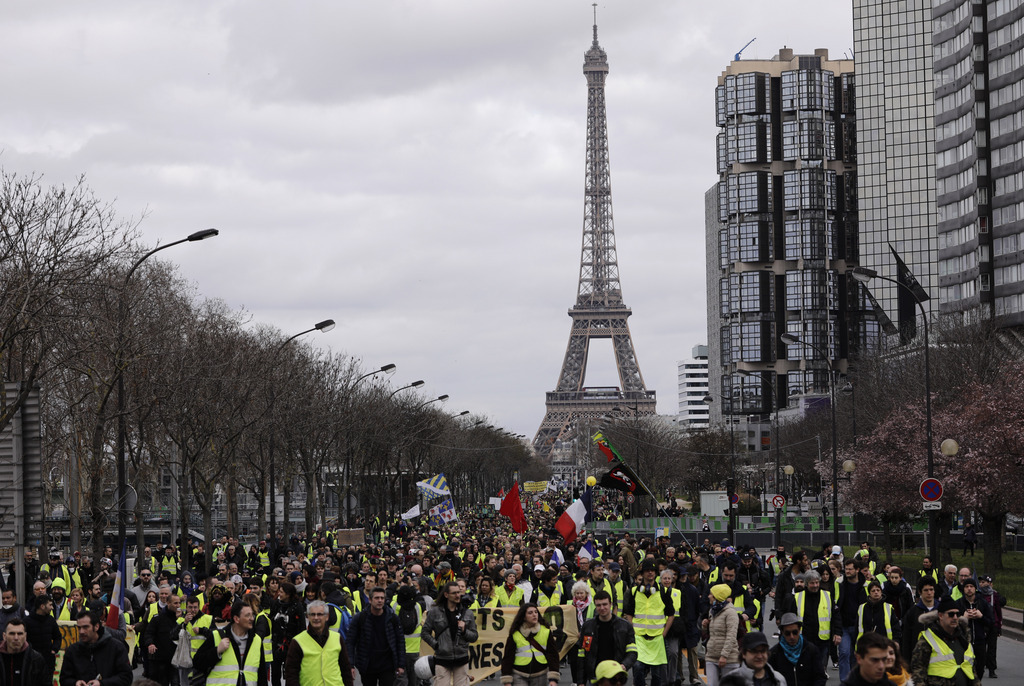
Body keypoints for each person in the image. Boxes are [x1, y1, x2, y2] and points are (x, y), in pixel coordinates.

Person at [193, 600, 268, 686]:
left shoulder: (256, 640)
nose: (252, 618)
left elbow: (262, 675)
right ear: (236, 619)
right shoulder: (217, 636)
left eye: (252, 615)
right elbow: (197, 662)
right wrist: (216, 651)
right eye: (248, 615)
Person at [623, 559, 674, 686]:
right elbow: (628, 613)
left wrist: (664, 634)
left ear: (656, 573)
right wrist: (633, 630)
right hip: (639, 638)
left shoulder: (663, 592)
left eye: (652, 570)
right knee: (638, 668)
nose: (650, 573)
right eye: (647, 570)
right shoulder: (635, 592)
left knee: (656, 675)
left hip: (657, 639)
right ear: (643, 573)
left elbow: (671, 615)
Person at [910, 596, 977, 686]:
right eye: (951, 614)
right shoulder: (928, 639)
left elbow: (971, 669)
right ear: (940, 616)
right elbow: (917, 669)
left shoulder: (964, 637)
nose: (955, 617)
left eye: (957, 614)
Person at [285, 600, 354, 686]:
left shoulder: (337, 638)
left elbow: (345, 669)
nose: (316, 618)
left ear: (327, 616)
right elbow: (291, 673)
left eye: (320, 614)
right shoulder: (297, 641)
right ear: (308, 617)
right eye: (312, 614)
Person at [346, 587, 405, 686]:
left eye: (382, 598)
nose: (380, 601)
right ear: (370, 600)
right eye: (377, 598)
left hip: (388, 665)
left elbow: (400, 641)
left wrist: (401, 664)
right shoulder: (360, 618)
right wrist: (350, 665)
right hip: (367, 665)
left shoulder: (392, 618)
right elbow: (350, 642)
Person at [577, 591, 637, 686]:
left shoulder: (625, 626)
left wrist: (624, 665)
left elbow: (632, 652)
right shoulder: (588, 627)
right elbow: (582, 655)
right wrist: (580, 681)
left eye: (605, 604)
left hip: (616, 676)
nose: (602, 608)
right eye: (598, 605)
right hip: (595, 677)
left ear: (611, 604)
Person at [58, 611, 133, 686]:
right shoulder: (72, 650)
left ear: (96, 626)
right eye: (79, 628)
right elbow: (64, 679)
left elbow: (126, 678)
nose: (81, 631)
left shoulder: (116, 648)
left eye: (85, 627)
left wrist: (102, 684)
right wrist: (75, 683)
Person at [499, 603, 560, 686]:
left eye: (536, 612)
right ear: (524, 617)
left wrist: (553, 678)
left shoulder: (546, 631)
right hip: (519, 674)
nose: (534, 615)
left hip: (540, 673)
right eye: (530, 613)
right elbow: (508, 656)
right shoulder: (515, 633)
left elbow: (553, 655)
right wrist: (507, 680)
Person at [768, 612, 826, 686]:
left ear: (799, 630)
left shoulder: (811, 650)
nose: (792, 637)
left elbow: (820, 677)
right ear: (782, 632)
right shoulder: (774, 654)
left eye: (795, 632)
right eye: (787, 633)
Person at [955, 577, 992, 679]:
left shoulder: (982, 603)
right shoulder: (958, 604)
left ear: (975, 589)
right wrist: (963, 618)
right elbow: (951, 624)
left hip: (979, 643)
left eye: (971, 586)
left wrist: (981, 616)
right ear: (963, 589)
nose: (969, 589)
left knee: (979, 670)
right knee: (964, 672)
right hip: (963, 644)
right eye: (966, 586)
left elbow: (991, 622)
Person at [704, 584, 739, 686]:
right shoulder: (712, 610)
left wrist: (724, 655)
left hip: (729, 658)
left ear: (717, 597)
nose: (708, 596)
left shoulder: (730, 613)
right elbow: (713, 633)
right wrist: (705, 626)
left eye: (711, 594)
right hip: (711, 656)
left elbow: (731, 635)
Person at [901, 577, 939, 664]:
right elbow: (906, 639)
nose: (929, 593)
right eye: (926, 590)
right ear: (920, 592)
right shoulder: (912, 612)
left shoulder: (942, 610)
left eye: (931, 589)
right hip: (918, 657)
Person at [0, 618, 48, 686]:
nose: (16, 638)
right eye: (12, 634)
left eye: (20, 634)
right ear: (4, 636)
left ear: (25, 636)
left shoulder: (36, 659)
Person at [23, 596, 59, 677]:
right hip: (31, 661)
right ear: (42, 606)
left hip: (48, 661)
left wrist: (54, 650)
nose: (52, 608)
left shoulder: (51, 620)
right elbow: (23, 639)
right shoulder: (26, 621)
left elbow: (57, 637)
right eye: (50, 605)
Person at [977, 575, 1004, 678]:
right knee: (981, 647)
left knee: (992, 648)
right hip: (982, 623)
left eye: (984, 582)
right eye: (980, 582)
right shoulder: (978, 595)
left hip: (993, 624)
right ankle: (980, 666)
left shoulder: (994, 595)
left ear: (989, 583)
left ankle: (992, 669)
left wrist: (999, 626)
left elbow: (998, 610)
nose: (982, 584)